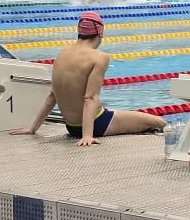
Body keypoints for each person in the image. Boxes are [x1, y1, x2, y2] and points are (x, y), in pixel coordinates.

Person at [13, 13, 166, 146]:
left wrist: (33, 128)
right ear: (100, 33)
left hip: (71, 127)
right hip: (98, 123)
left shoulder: (62, 54)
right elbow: (90, 97)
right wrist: (87, 135)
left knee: (120, 114)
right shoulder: (99, 57)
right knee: (159, 122)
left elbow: (52, 96)